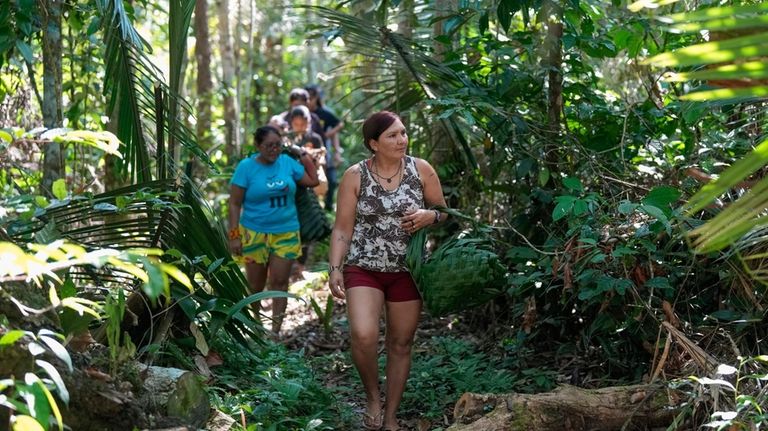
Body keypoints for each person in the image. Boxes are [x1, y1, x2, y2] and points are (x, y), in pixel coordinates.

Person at [328, 111, 447, 430]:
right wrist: (335, 268)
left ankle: (391, 414)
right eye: (393, 135)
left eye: (404, 133)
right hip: (363, 267)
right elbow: (342, 227)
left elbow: (443, 211)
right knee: (363, 335)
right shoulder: (355, 175)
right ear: (373, 143)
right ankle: (371, 397)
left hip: (408, 270)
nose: (402, 140)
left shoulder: (421, 169)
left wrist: (429, 216)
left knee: (400, 342)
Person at [228, 125, 319, 335]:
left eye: (278, 145)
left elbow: (312, 181)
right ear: (258, 146)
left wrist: (303, 154)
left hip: (286, 232)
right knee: (255, 285)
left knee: (279, 282)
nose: (274, 150)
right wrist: (234, 236)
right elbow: (234, 203)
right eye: (269, 145)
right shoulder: (246, 167)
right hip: (253, 233)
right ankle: (256, 330)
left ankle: (275, 333)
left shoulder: (287, 163)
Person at [306, 84, 345, 210]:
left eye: (310, 98)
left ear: (316, 98)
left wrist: (336, 150)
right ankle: (314, 206)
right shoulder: (302, 112)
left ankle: (328, 206)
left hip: (324, 151)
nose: (308, 101)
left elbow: (338, 126)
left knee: (331, 180)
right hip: (307, 152)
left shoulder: (324, 113)